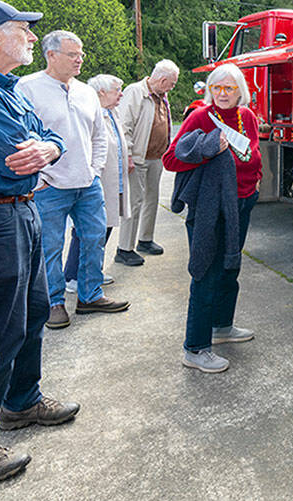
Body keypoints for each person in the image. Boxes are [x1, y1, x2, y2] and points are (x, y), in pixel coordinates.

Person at [0, 0, 79, 483]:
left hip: (19, 209)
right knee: (1, 325)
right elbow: (9, 154)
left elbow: (44, 138)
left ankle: (22, 401)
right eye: (22, 29)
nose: (30, 37)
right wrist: (42, 148)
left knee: (35, 310)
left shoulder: (2, 84)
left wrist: (48, 147)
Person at [17, 30, 127, 328]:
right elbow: (18, 137)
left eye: (81, 54)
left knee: (94, 240)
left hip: (87, 183)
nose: (80, 59)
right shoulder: (26, 89)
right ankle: (53, 302)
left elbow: (98, 136)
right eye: (73, 54)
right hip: (49, 186)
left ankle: (90, 296)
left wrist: (94, 170)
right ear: (51, 55)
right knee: (50, 248)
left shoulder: (86, 92)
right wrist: (40, 178)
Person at [162, 62, 261, 373]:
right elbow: (170, 159)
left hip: (242, 204)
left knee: (230, 268)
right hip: (210, 209)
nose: (221, 93)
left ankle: (221, 326)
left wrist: (255, 183)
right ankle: (195, 347)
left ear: (239, 92)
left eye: (228, 88)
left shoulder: (248, 117)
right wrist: (206, 149)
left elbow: (253, 153)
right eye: (216, 87)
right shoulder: (199, 117)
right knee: (205, 273)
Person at [64, 75, 132, 293]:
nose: (121, 94)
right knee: (86, 231)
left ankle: (94, 272)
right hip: (96, 182)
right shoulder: (91, 113)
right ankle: (73, 276)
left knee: (105, 227)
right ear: (101, 92)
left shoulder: (112, 112)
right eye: (116, 90)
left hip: (114, 180)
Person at [117, 59, 179, 264]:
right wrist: (127, 155)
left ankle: (145, 238)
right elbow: (124, 125)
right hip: (138, 157)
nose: (173, 87)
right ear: (162, 80)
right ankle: (124, 248)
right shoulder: (135, 92)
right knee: (134, 202)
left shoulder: (162, 95)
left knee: (152, 199)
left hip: (156, 156)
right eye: (172, 83)